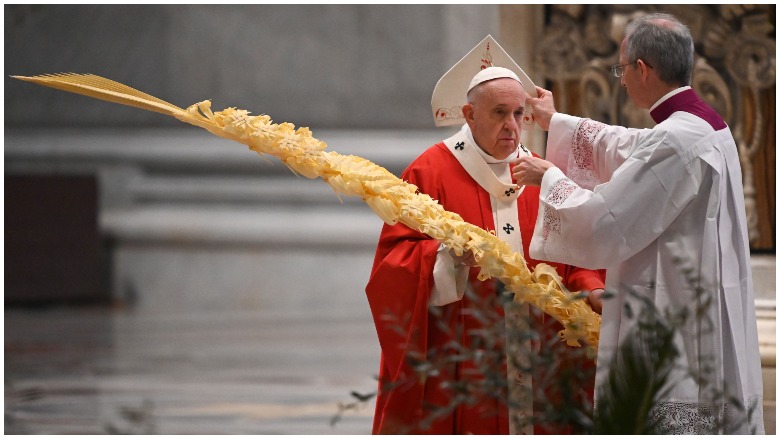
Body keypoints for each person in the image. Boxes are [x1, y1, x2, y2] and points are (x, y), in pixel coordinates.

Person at [512, 13, 764, 434]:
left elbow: (603, 223)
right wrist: (555, 122)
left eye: (622, 68)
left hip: (671, 309)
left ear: (642, 69)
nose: (622, 80)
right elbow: (631, 146)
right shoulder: (703, 124)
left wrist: (548, 178)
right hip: (696, 298)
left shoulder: (677, 138)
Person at [365, 36, 605, 434]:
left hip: (539, 351)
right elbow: (392, 268)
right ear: (468, 114)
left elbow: (576, 255)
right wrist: (446, 258)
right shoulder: (429, 172)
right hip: (468, 354)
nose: (512, 126)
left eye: (518, 113)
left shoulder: (541, 175)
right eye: (499, 113)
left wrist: (592, 288)